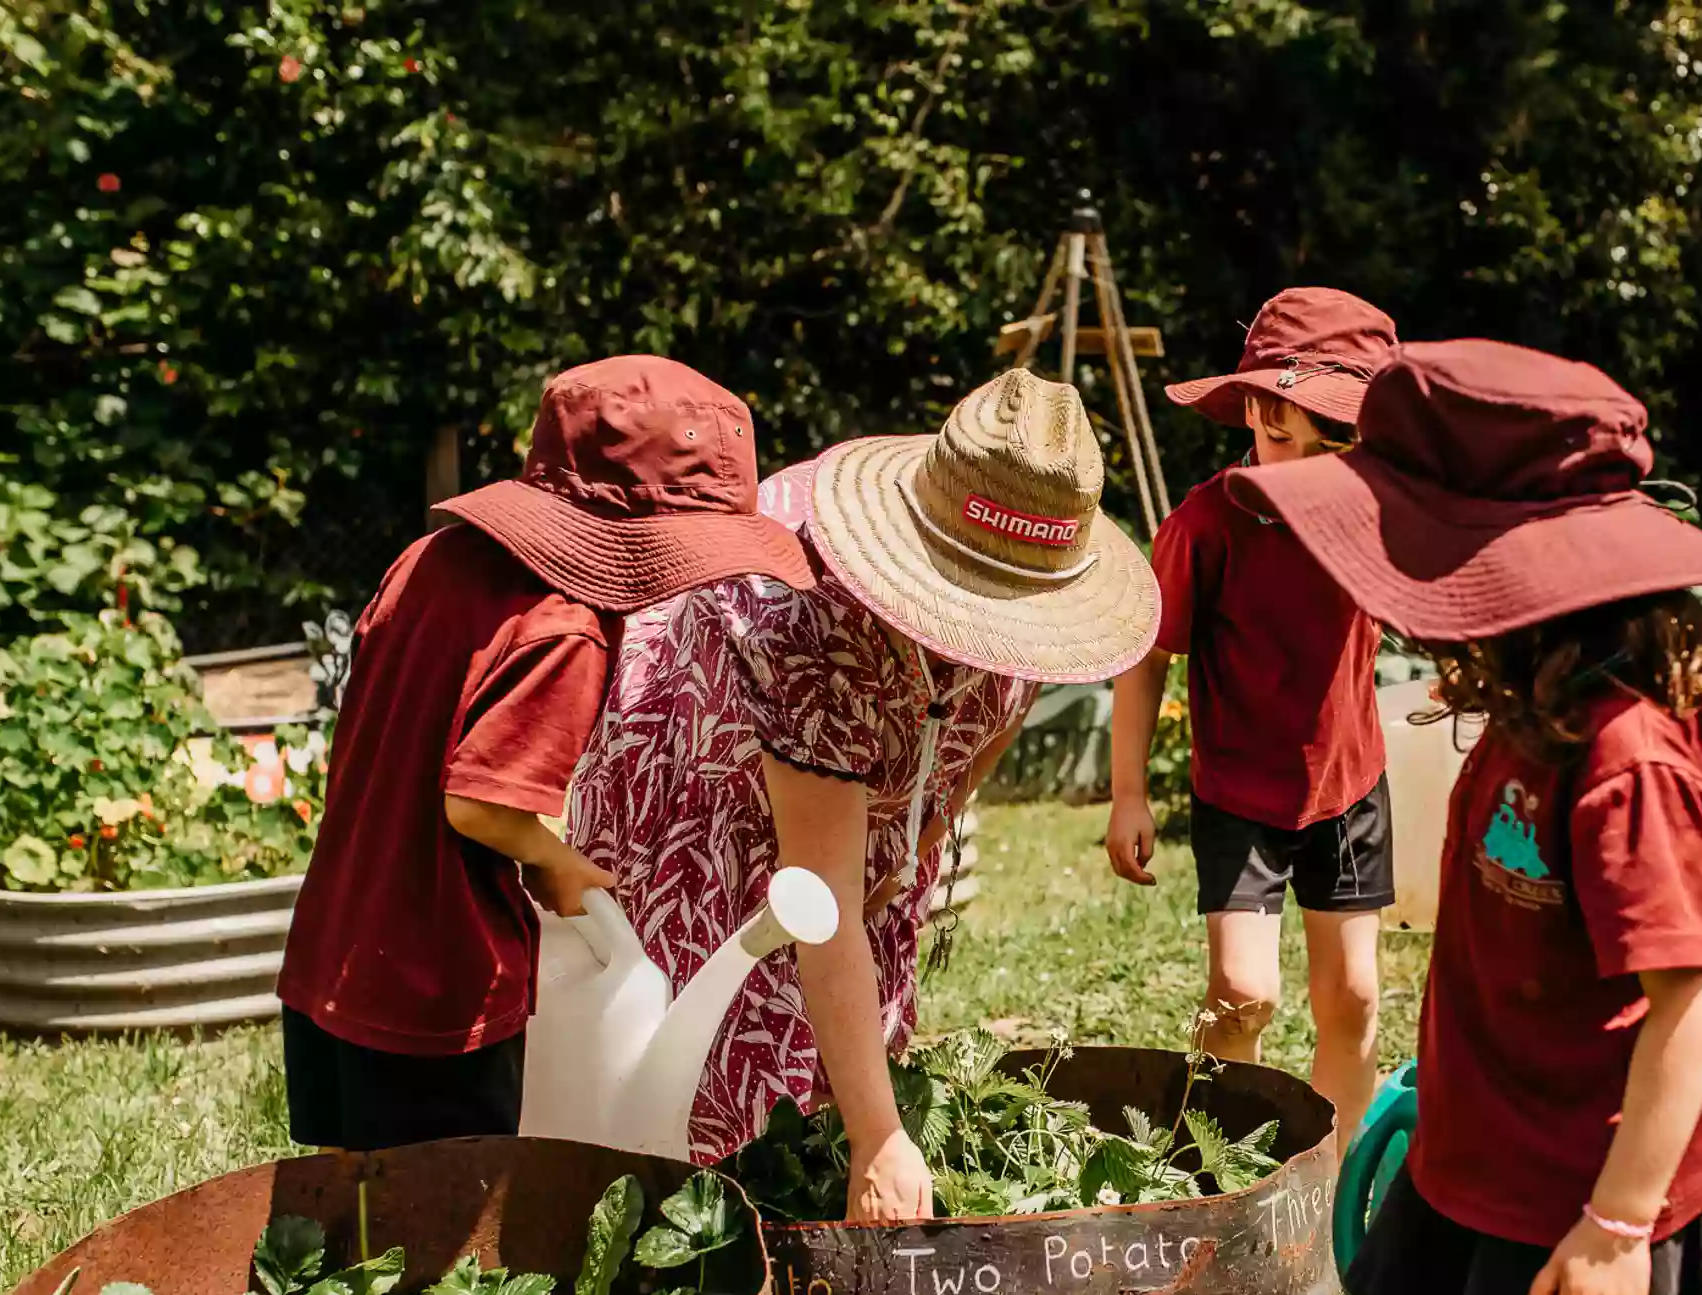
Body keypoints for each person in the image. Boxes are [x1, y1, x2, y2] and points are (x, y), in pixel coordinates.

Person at [1229, 340, 1702, 1295]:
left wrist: (1621, 1223)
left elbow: (1693, 1005)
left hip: (1571, 1193)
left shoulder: (1628, 757)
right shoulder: (1532, 705)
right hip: (1465, 1150)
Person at [569, 368, 1161, 1218]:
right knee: (720, 1085)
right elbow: (819, 901)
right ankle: (700, 1252)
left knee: (835, 1059)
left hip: (846, 808)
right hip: (705, 794)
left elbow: (981, 732)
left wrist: (914, 845)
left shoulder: (1030, 605)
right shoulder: (802, 611)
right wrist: (881, 1138)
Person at [276, 356, 813, 1153]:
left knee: (355, 1216)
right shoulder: (565, 629)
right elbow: (478, 803)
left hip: (336, 951)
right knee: (441, 1238)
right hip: (437, 989)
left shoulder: (430, 561)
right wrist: (553, 857)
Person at [1106, 287, 1399, 1145]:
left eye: (1316, 441)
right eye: (1272, 432)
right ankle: (1214, 1166)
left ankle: (1334, 1191)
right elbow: (1147, 655)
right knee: (1243, 992)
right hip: (1241, 794)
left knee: (1354, 998)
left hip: (1350, 789)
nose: (1285, 458)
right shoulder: (1207, 522)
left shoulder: (1380, 517)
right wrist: (1129, 792)